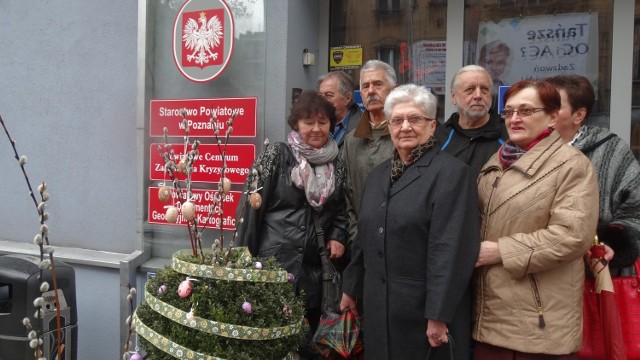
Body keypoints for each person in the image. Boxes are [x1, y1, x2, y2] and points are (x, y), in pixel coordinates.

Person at [341, 84, 480, 360]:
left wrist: (439, 315)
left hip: (425, 315)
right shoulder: (378, 176)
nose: (405, 126)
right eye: (397, 120)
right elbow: (365, 238)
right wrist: (351, 288)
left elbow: (451, 250)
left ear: (432, 126)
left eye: (415, 119)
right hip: (380, 308)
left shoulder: (452, 175)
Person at [473, 79, 599, 359]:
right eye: (509, 112)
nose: (515, 119)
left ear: (553, 116)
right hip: (488, 321)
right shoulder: (497, 161)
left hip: (538, 325)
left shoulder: (572, 165)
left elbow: (572, 236)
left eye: (527, 111)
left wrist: (500, 251)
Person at [235, 90, 348, 359]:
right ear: (296, 123)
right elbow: (250, 212)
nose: (316, 129)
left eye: (323, 122)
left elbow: (341, 208)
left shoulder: (337, 163)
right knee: (270, 343)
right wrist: (242, 266)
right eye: (308, 122)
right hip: (271, 268)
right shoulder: (276, 155)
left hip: (313, 273)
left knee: (306, 347)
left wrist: (338, 235)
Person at [546, 74, 640, 275]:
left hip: (594, 274)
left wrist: (613, 243)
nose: (544, 112)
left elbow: (635, 209)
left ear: (578, 115)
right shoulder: (521, 150)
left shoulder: (611, 151)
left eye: (554, 106)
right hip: (539, 272)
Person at [342, 60, 397, 256]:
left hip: (398, 246)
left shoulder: (405, 135)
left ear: (394, 89)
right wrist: (357, 238)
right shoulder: (351, 140)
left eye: (378, 84)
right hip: (360, 246)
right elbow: (346, 196)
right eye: (365, 86)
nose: (371, 91)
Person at [435, 65, 508, 177]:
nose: (478, 96)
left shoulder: (508, 136)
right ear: (453, 96)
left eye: (484, 89)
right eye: (470, 89)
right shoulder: (439, 137)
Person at [318, 70, 363, 148]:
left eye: (328, 95)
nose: (322, 100)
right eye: (320, 95)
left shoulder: (362, 128)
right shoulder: (314, 124)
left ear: (347, 98)